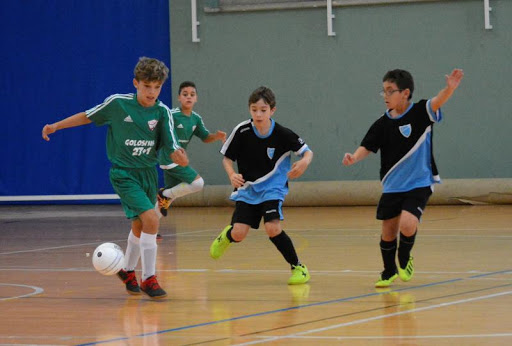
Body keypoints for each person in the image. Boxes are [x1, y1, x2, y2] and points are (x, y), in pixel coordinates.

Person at [42, 57, 189, 299]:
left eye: (157, 87)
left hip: (148, 173)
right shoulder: (118, 104)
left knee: (140, 225)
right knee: (152, 219)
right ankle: (148, 278)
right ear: (136, 83)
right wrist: (56, 126)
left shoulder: (162, 112)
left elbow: (171, 144)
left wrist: (179, 157)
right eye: (147, 86)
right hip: (124, 174)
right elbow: (87, 116)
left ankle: (128, 271)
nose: (152, 92)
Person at [342, 68, 464, 288]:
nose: (385, 96)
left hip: (419, 182)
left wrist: (449, 89)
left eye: (390, 91)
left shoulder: (421, 112)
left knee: (407, 224)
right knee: (388, 232)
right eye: (384, 91)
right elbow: (367, 146)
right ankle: (388, 271)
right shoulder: (381, 123)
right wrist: (354, 157)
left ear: (405, 93)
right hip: (392, 186)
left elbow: (438, 101)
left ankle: (405, 257)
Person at [209, 86, 314, 285]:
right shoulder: (242, 131)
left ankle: (298, 267)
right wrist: (232, 174)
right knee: (239, 233)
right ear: (249, 109)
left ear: (272, 110)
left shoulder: (283, 134)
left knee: (272, 228)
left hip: (272, 188)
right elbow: (227, 159)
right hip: (247, 189)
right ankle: (228, 235)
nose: (258, 114)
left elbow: (307, 152)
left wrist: (304, 162)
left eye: (263, 110)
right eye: (254, 109)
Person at [156, 81, 226, 238]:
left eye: (192, 95)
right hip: (169, 159)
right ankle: (165, 193)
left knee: (168, 200)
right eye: (185, 94)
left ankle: (150, 229)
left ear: (196, 99)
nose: (188, 97)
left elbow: (205, 137)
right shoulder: (171, 115)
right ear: (179, 98)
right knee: (198, 183)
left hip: (179, 161)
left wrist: (216, 136)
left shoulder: (196, 119)